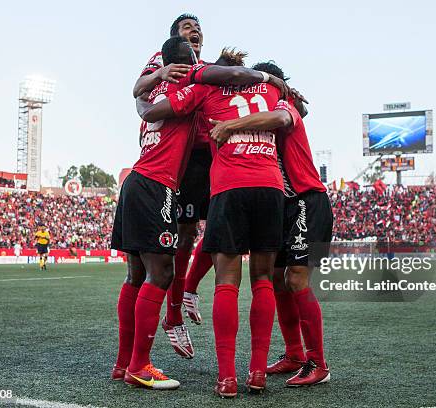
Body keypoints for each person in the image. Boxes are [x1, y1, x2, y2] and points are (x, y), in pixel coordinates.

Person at [113, 35, 288, 389]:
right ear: (192, 64)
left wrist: (145, 94)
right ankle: (139, 364)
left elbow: (145, 104)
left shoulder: (157, 90)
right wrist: (270, 81)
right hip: (158, 184)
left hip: (136, 181)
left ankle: (124, 364)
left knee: (136, 275)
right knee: (161, 274)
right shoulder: (194, 87)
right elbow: (242, 83)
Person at [208, 62, 332, 387]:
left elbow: (285, 115)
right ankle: (293, 354)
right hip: (282, 204)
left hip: (306, 200)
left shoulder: (280, 105)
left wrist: (230, 124)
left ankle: (318, 363)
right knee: (276, 281)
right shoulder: (261, 116)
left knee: (296, 280)